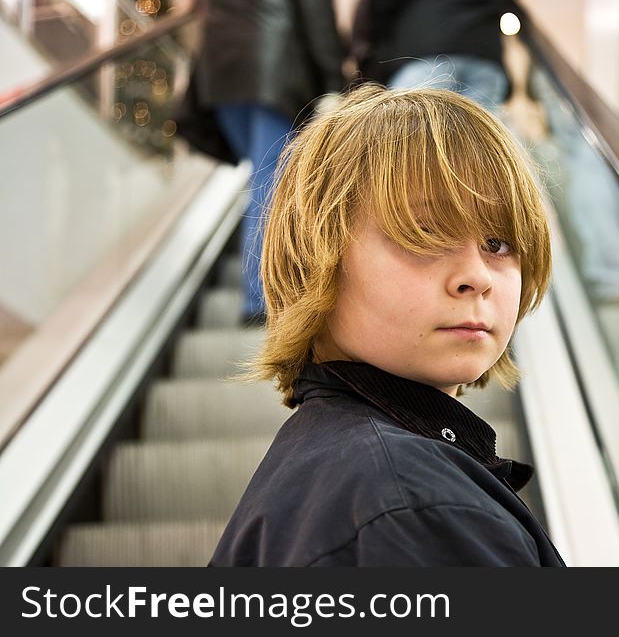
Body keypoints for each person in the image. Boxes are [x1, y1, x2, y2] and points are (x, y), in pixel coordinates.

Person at [209, 85, 565, 566]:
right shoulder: (414, 509)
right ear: (318, 262)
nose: (477, 277)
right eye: (424, 236)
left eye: (498, 243)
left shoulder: (333, 465)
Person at [176, 0, 346, 323]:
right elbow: (314, 7)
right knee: (270, 183)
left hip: (221, 71)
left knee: (264, 178)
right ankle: (260, 299)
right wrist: (334, 80)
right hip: (272, 66)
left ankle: (263, 293)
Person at [356, 0, 522, 115]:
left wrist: (378, 44)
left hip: (424, 50)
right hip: (484, 53)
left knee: (410, 138)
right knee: (476, 146)